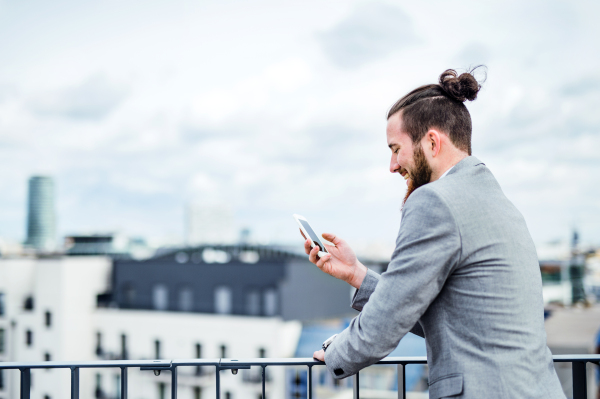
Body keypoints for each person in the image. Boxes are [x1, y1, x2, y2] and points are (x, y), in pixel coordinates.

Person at [301, 69, 565, 398]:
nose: (393, 165)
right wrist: (357, 274)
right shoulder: (496, 202)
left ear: (431, 142)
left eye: (396, 148)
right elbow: (447, 317)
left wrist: (337, 353)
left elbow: (389, 319)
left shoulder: (435, 201)